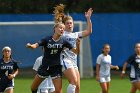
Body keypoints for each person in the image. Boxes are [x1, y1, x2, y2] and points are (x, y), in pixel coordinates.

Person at [26, 20, 79, 93]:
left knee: (58, 91)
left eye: (63, 29)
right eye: (60, 28)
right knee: (33, 88)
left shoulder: (64, 40)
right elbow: (36, 45)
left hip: (56, 68)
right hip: (45, 67)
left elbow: (76, 52)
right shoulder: (47, 39)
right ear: (55, 28)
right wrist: (31, 46)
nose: (62, 30)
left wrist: (78, 45)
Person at [53, 4, 93, 93]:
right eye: (67, 23)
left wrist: (88, 18)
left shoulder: (75, 35)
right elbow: (53, 42)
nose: (69, 25)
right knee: (73, 82)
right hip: (65, 60)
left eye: (71, 23)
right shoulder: (61, 34)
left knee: (77, 88)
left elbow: (89, 31)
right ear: (64, 24)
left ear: (73, 24)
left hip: (74, 62)